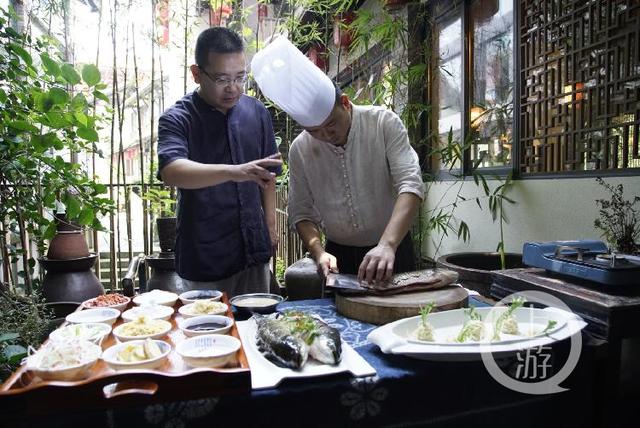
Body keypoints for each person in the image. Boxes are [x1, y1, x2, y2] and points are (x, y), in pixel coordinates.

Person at [157, 27, 282, 297]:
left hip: (253, 252)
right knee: (207, 334)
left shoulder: (256, 112)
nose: (233, 88)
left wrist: (270, 228)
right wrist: (234, 172)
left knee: (256, 330)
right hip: (205, 256)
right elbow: (171, 170)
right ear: (197, 73)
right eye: (222, 78)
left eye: (240, 77)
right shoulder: (179, 118)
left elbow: (268, 175)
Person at [287, 86, 424, 284]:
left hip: (392, 249)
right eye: (314, 131)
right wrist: (319, 253)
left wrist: (387, 244)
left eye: (331, 124)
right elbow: (301, 212)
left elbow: (411, 185)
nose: (325, 135)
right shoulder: (300, 148)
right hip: (337, 257)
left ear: (345, 102)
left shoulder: (383, 122)